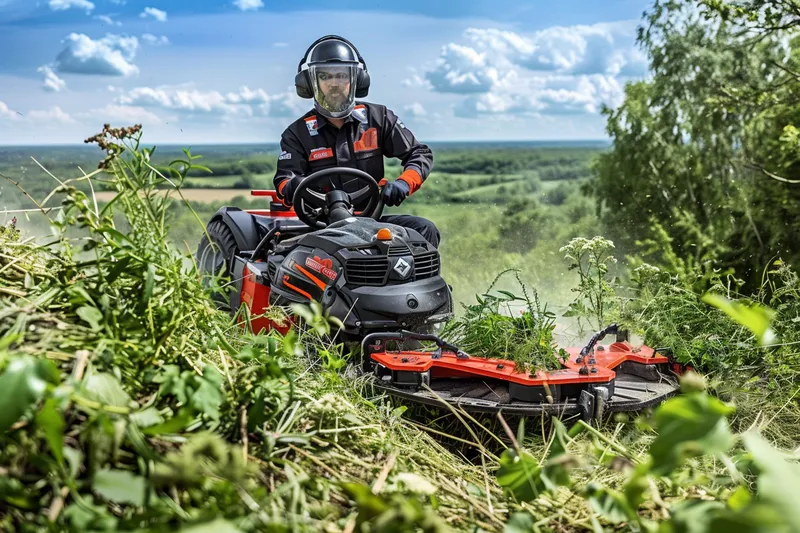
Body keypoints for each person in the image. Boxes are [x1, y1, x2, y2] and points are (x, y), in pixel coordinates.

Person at [272, 34, 440, 248]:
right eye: (325, 76)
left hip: (371, 221)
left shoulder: (379, 118)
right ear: (311, 83)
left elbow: (420, 153)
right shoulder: (296, 133)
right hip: (321, 228)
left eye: (341, 75)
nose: (334, 83)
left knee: (425, 229)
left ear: (356, 80)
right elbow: (284, 179)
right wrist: (292, 186)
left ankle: (420, 282)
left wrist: (403, 184)